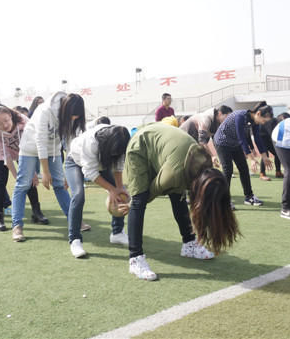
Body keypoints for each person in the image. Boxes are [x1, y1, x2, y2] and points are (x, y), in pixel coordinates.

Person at [125, 123, 240, 281]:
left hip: (170, 153)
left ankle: (189, 244)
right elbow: (151, 193)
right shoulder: (173, 174)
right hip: (141, 146)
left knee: (178, 194)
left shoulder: (204, 166)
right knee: (140, 200)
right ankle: (135, 259)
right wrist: (130, 205)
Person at [11, 92, 86, 242]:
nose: (74, 119)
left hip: (53, 150)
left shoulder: (71, 114)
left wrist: (70, 170)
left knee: (60, 184)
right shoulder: (44, 111)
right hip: (30, 148)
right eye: (73, 116)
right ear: (66, 109)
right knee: (23, 185)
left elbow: (71, 141)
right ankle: (17, 226)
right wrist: (45, 172)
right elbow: (40, 141)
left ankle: (73, 219)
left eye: (77, 116)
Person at [64, 124, 131, 257]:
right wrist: (111, 189)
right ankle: (75, 240)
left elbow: (118, 166)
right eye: (114, 152)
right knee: (78, 195)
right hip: (75, 162)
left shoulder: (121, 142)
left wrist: (118, 189)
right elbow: (89, 171)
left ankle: (117, 233)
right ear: (108, 143)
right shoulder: (90, 142)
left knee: (120, 191)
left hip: (100, 166)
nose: (115, 154)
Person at [0, 105, 42, 232]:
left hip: (25, 151)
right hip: (3, 153)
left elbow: (32, 144)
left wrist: (33, 172)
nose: (4, 125)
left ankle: (36, 211)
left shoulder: (24, 121)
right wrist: (17, 176)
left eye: (6, 120)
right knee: (0, 181)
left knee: (30, 179)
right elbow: (5, 157)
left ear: (10, 116)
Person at [213, 101, 274, 207]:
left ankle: (249, 197)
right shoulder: (240, 116)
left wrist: (264, 157)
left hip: (234, 143)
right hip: (222, 142)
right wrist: (251, 159)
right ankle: (223, 199)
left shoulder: (255, 121)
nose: (263, 123)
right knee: (228, 170)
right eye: (264, 120)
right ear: (258, 114)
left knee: (244, 169)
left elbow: (258, 139)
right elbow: (242, 138)